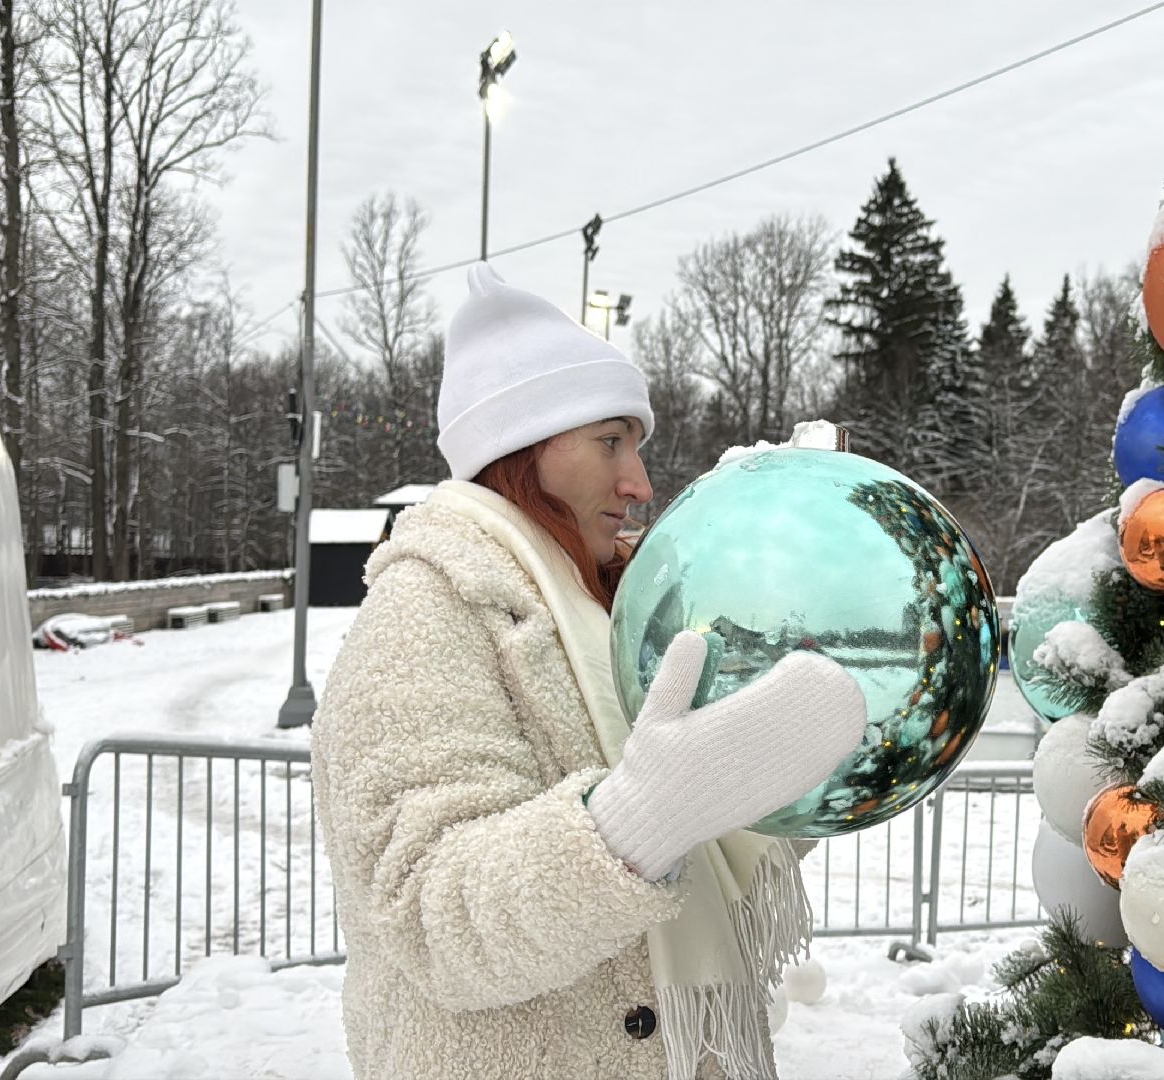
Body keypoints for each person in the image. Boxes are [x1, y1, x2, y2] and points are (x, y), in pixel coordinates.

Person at [312, 266, 869, 1080]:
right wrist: (639, 821)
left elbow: (703, 843)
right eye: (611, 441)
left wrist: (779, 765)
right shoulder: (423, 613)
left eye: (636, 446)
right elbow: (434, 919)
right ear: (521, 451)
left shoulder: (621, 610)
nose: (640, 483)